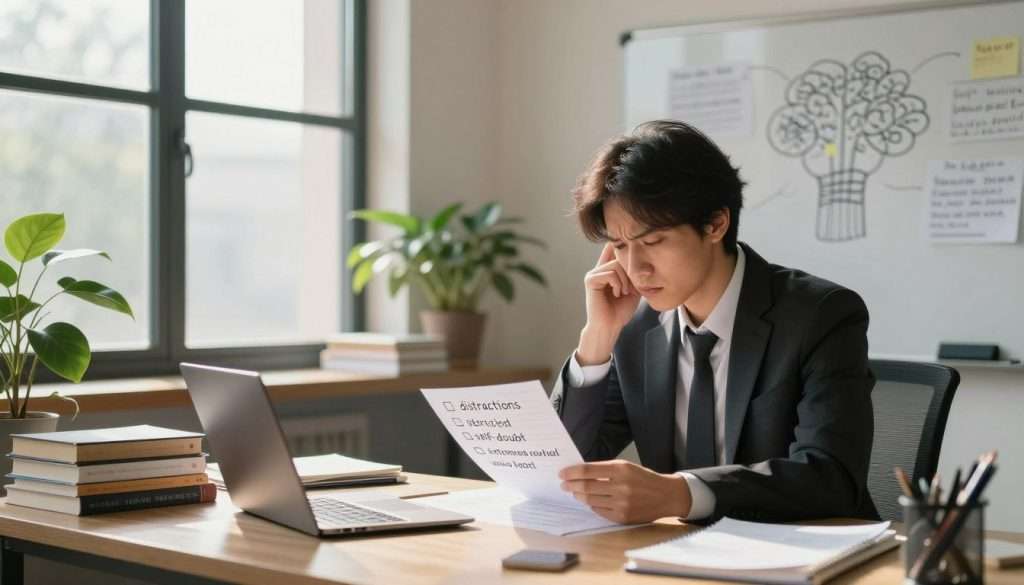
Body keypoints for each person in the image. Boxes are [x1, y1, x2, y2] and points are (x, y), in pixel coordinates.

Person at [551, 120, 878, 525]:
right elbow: (565, 467)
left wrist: (680, 494)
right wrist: (596, 338)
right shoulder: (634, 330)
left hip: (804, 554)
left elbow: (831, 478)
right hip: (679, 558)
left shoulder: (821, 315)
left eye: (652, 241)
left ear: (715, 224)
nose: (635, 268)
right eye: (619, 246)